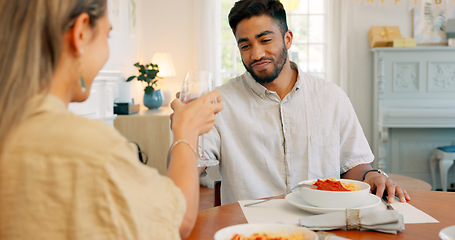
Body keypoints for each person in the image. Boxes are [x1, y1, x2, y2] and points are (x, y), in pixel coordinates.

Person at [0, 0, 223, 239]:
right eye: (107, 36)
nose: (106, 52)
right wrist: (187, 130)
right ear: (81, 32)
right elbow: (178, 220)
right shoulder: (92, 149)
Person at [203, 0, 410, 205]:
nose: (256, 54)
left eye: (265, 40)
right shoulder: (219, 103)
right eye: (246, 46)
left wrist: (371, 176)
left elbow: (354, 164)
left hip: (321, 227)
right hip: (251, 231)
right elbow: (191, 164)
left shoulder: (332, 97)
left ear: (288, 39)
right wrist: (183, 132)